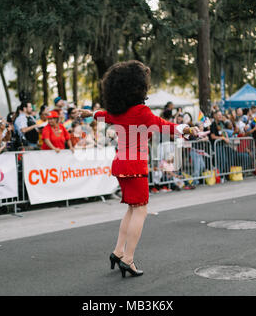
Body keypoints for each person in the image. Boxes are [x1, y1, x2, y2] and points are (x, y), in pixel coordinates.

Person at [77, 61, 198, 278]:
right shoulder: (140, 111)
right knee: (140, 210)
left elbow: (103, 115)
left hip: (120, 164)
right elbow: (166, 126)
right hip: (135, 165)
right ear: (138, 87)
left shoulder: (117, 111)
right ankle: (128, 259)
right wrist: (190, 130)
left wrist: (88, 113)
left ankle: (118, 252)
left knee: (132, 209)